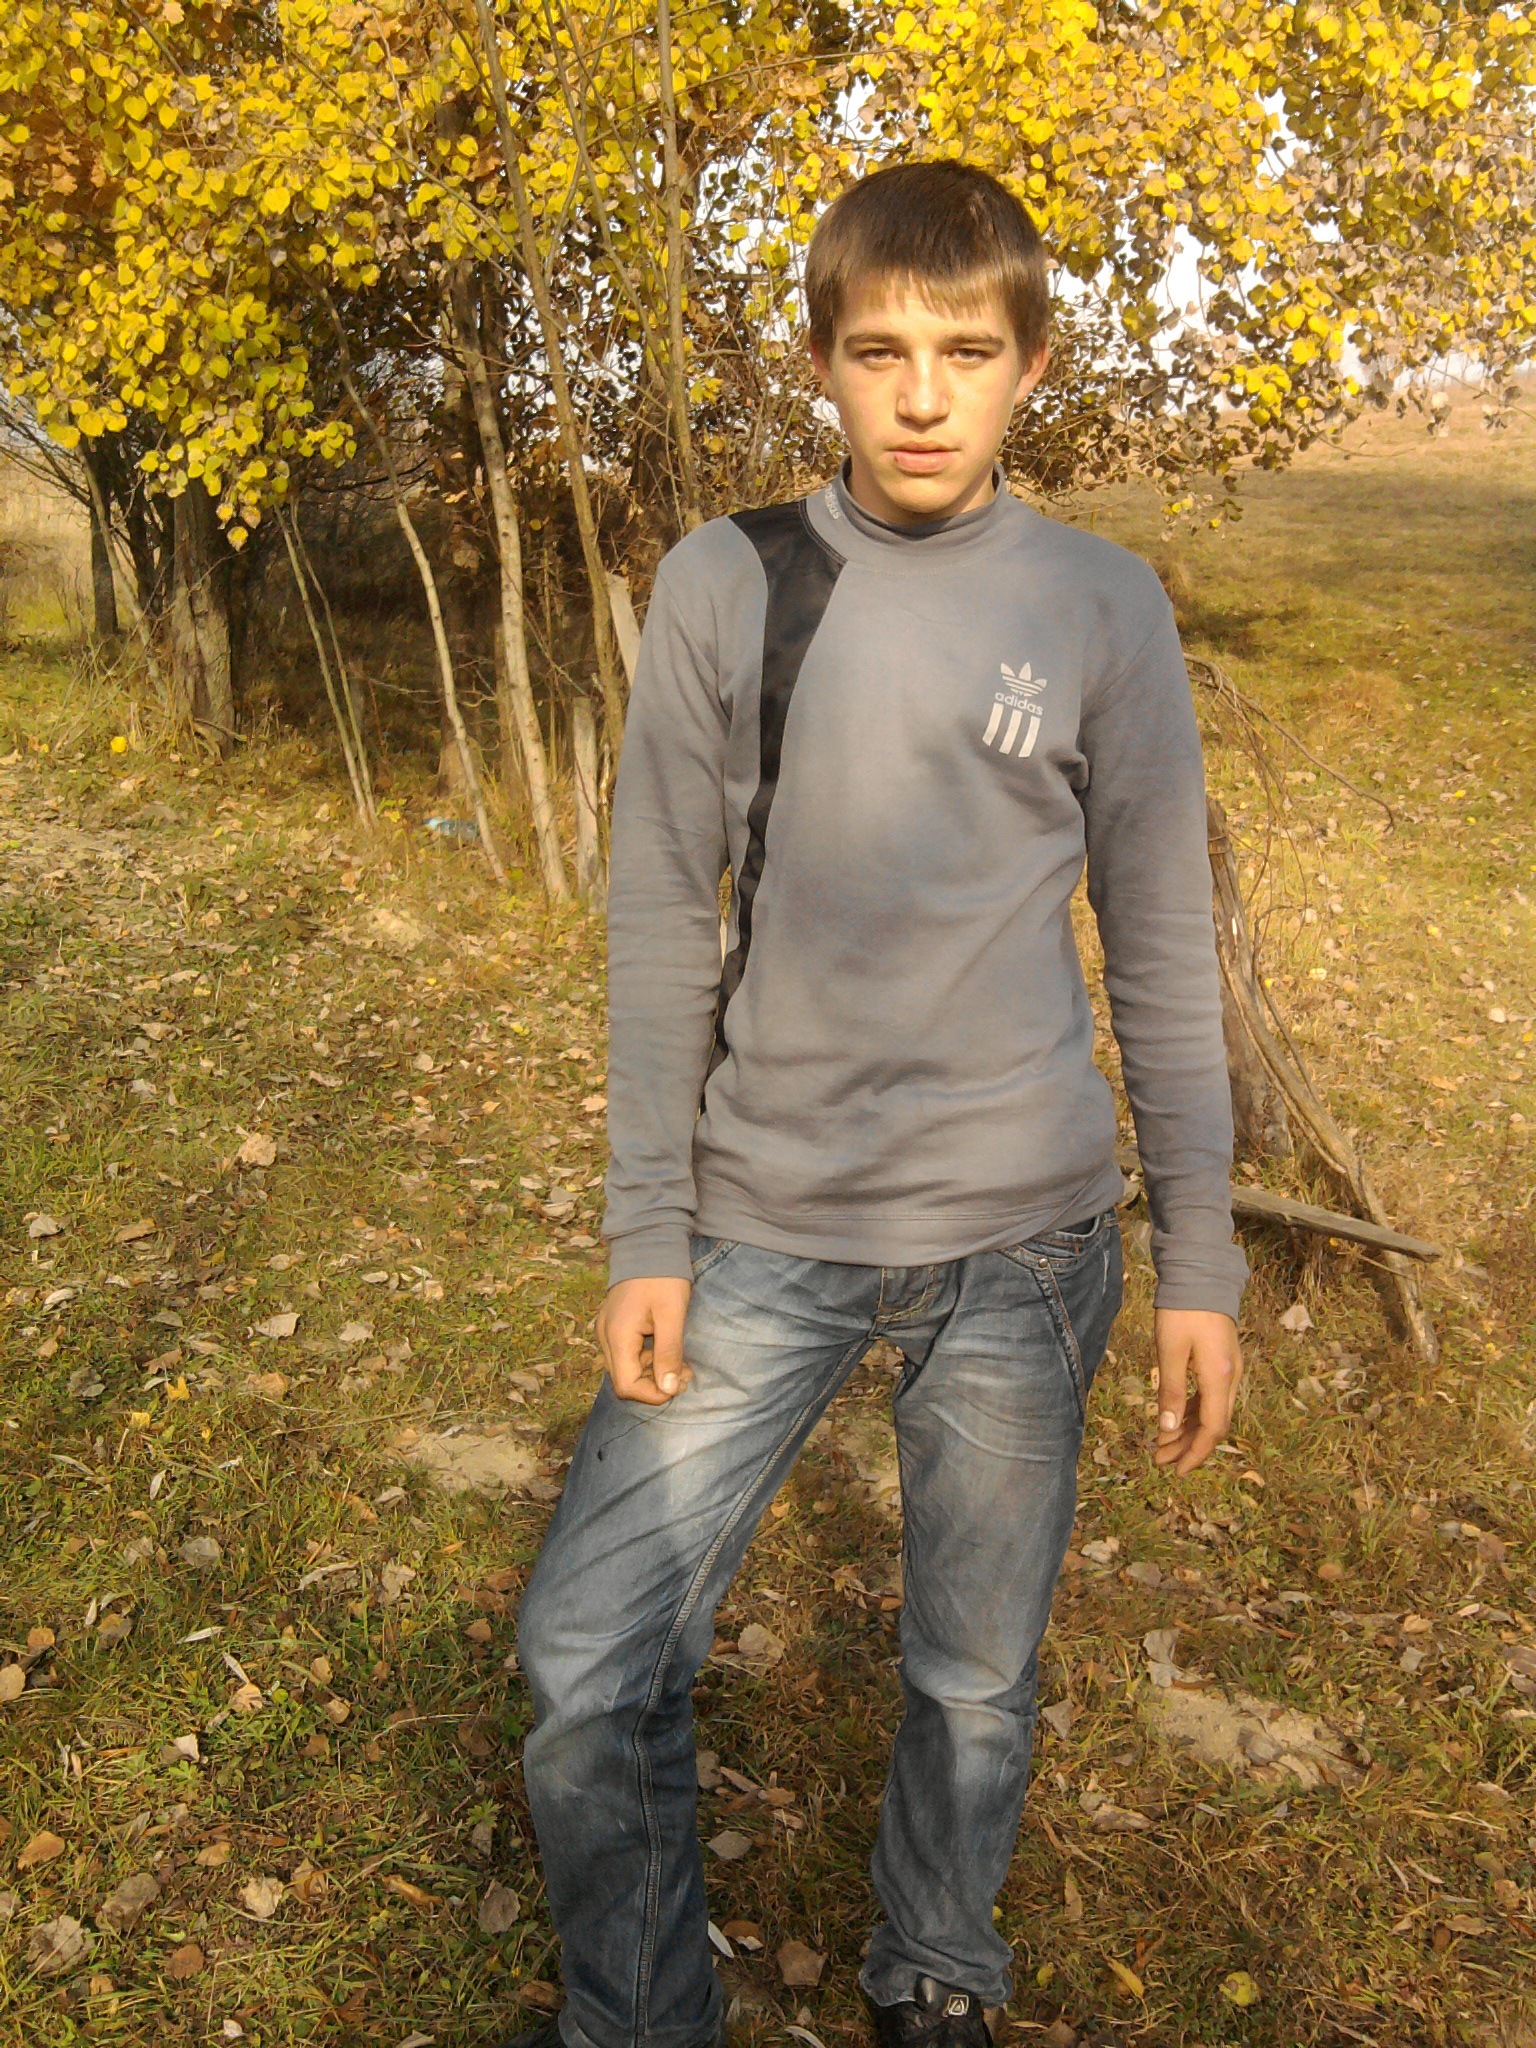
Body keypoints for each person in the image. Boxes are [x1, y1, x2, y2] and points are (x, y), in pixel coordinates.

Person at [510, 159, 1248, 2048]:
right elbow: (661, 917)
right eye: (881, 351)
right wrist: (647, 1230)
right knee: (587, 1658)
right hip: (764, 1224)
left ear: (1030, 365)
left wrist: (1200, 1260)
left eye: (967, 353)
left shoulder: (1099, 605)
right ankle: (641, 2018)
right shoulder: (730, 580)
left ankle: (934, 1968)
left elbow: (1163, 947)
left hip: (1025, 1248)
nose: (923, 397)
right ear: (823, 361)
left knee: (975, 1683)